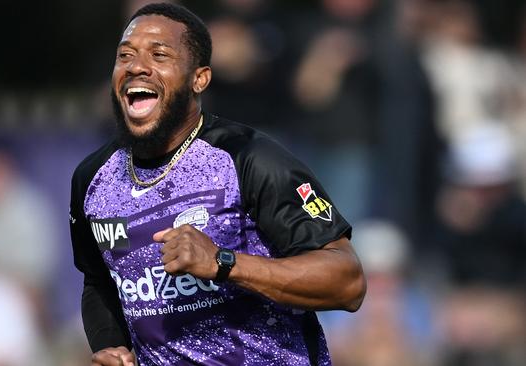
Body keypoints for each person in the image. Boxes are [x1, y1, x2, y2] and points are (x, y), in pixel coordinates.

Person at [69, 3, 366, 365]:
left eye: (159, 55)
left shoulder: (249, 158)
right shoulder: (93, 180)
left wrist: (223, 262)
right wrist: (109, 344)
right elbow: (98, 281)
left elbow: (347, 282)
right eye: (125, 56)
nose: (136, 66)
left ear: (200, 79)